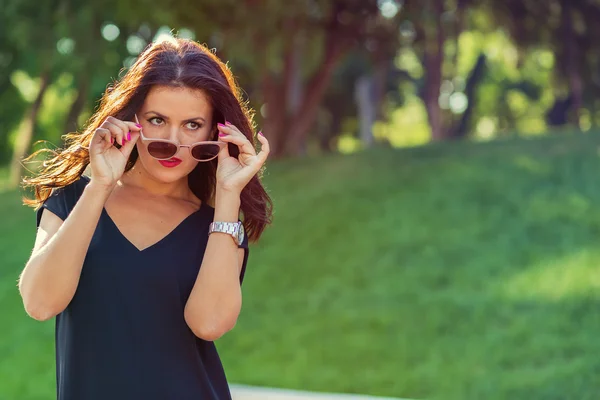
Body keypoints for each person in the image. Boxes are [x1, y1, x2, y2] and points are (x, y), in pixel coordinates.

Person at [17, 37, 273, 400]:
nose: (173, 141)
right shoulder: (74, 199)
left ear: (214, 131)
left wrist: (229, 195)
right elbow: (40, 303)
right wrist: (100, 184)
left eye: (192, 125)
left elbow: (210, 324)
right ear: (132, 119)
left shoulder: (218, 227)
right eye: (157, 120)